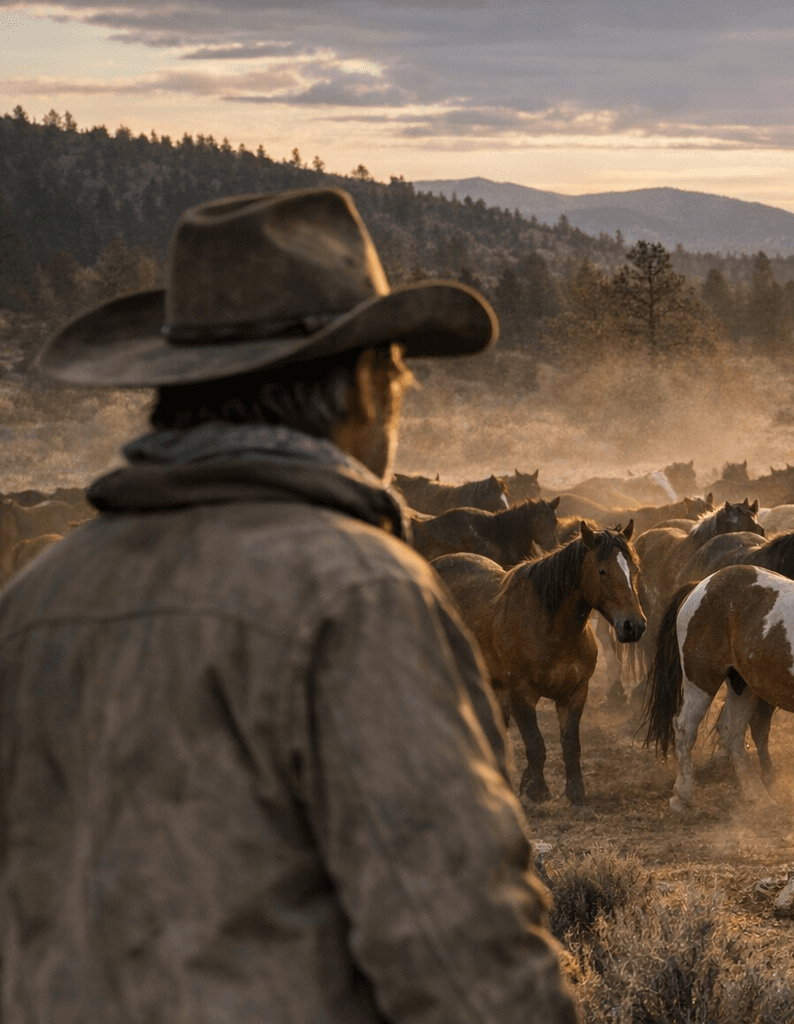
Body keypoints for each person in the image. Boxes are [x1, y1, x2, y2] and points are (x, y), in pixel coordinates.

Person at [0, 188, 580, 1023]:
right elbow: (468, 968)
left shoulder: (32, 604)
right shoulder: (354, 594)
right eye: (400, 380)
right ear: (362, 388)